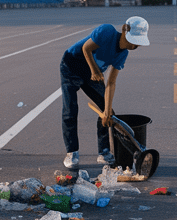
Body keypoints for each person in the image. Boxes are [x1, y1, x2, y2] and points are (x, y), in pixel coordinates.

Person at [59, 16, 150, 169]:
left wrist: (107, 110)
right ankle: (72, 152)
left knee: (107, 113)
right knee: (70, 110)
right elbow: (86, 48)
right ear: (124, 30)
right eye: (134, 40)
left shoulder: (123, 54)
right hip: (71, 65)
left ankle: (104, 152)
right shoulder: (106, 31)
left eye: (138, 42)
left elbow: (111, 83)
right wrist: (94, 70)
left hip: (92, 74)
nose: (136, 45)